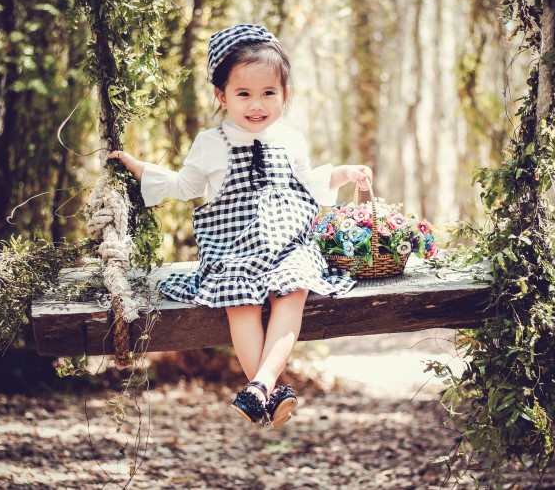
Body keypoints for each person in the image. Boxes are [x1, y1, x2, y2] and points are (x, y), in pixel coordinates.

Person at [109, 23, 372, 428]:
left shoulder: (291, 139)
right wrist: (139, 168)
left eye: (269, 93)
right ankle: (271, 391)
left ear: (284, 94)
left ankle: (261, 385)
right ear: (222, 96)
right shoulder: (210, 144)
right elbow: (183, 185)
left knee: (294, 288)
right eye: (243, 94)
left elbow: (309, 182)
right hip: (232, 251)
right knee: (241, 303)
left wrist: (343, 174)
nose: (257, 105)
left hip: (288, 247)